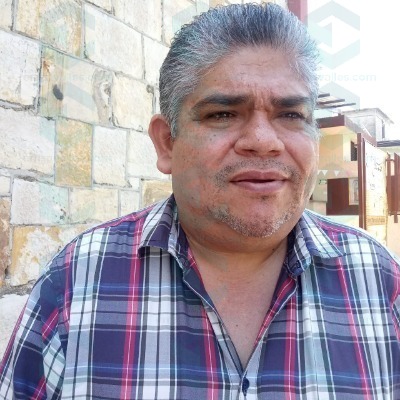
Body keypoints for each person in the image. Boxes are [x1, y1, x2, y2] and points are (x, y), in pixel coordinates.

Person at [1, 3, 399, 399]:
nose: (263, 141)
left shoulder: (380, 283)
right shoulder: (76, 283)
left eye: (291, 115)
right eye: (223, 114)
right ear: (167, 143)